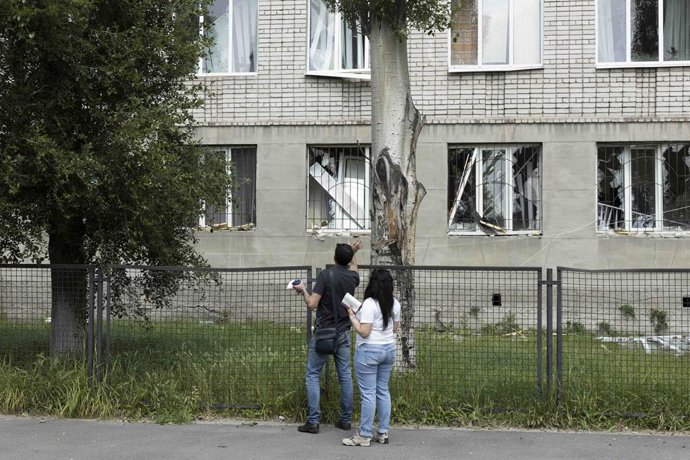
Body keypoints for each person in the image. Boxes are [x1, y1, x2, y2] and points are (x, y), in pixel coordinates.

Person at [293, 240, 363, 434]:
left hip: (324, 333)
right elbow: (355, 267)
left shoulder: (326, 275)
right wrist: (354, 251)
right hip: (343, 332)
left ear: (334, 257)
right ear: (348, 260)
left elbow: (312, 304)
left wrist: (303, 291)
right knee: (345, 376)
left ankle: (313, 421)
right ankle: (346, 419)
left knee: (313, 375)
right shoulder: (352, 278)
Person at [342, 269, 401, 447]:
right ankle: (383, 432)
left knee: (368, 394)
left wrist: (352, 317)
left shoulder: (369, 304)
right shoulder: (395, 303)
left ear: (372, 284)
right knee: (383, 391)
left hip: (369, 351)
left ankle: (364, 434)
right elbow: (394, 329)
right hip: (388, 349)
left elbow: (364, 332)